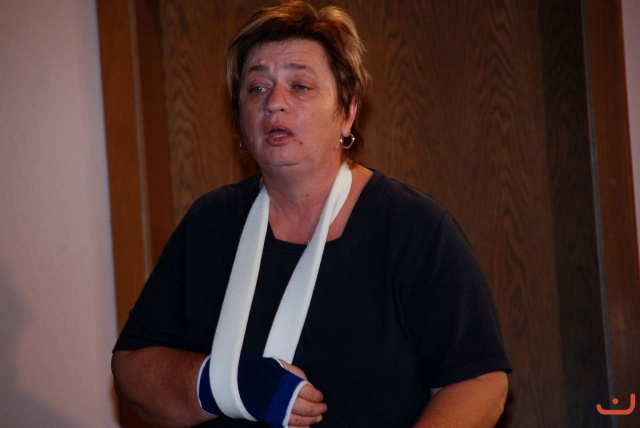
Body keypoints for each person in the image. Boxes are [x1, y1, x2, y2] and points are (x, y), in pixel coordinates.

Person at [111, 1, 511, 427]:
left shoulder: (414, 228)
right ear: (239, 119)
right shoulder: (209, 224)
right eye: (256, 88)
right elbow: (132, 367)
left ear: (348, 112)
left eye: (300, 86)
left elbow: (480, 383)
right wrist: (223, 385)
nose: (274, 103)